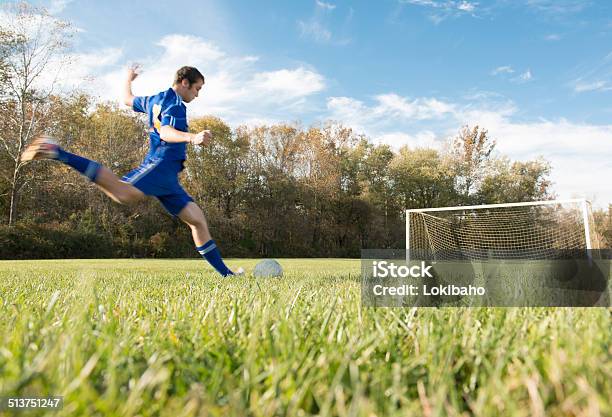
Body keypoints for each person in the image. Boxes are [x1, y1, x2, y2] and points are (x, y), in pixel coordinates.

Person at [21, 65, 242, 277]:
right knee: (124, 193)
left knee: (198, 221)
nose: (197, 94)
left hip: (169, 177)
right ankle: (57, 152)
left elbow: (127, 99)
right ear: (185, 82)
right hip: (160, 164)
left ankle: (227, 275)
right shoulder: (175, 104)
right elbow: (165, 131)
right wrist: (192, 137)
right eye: (197, 89)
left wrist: (128, 78)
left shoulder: (154, 99)